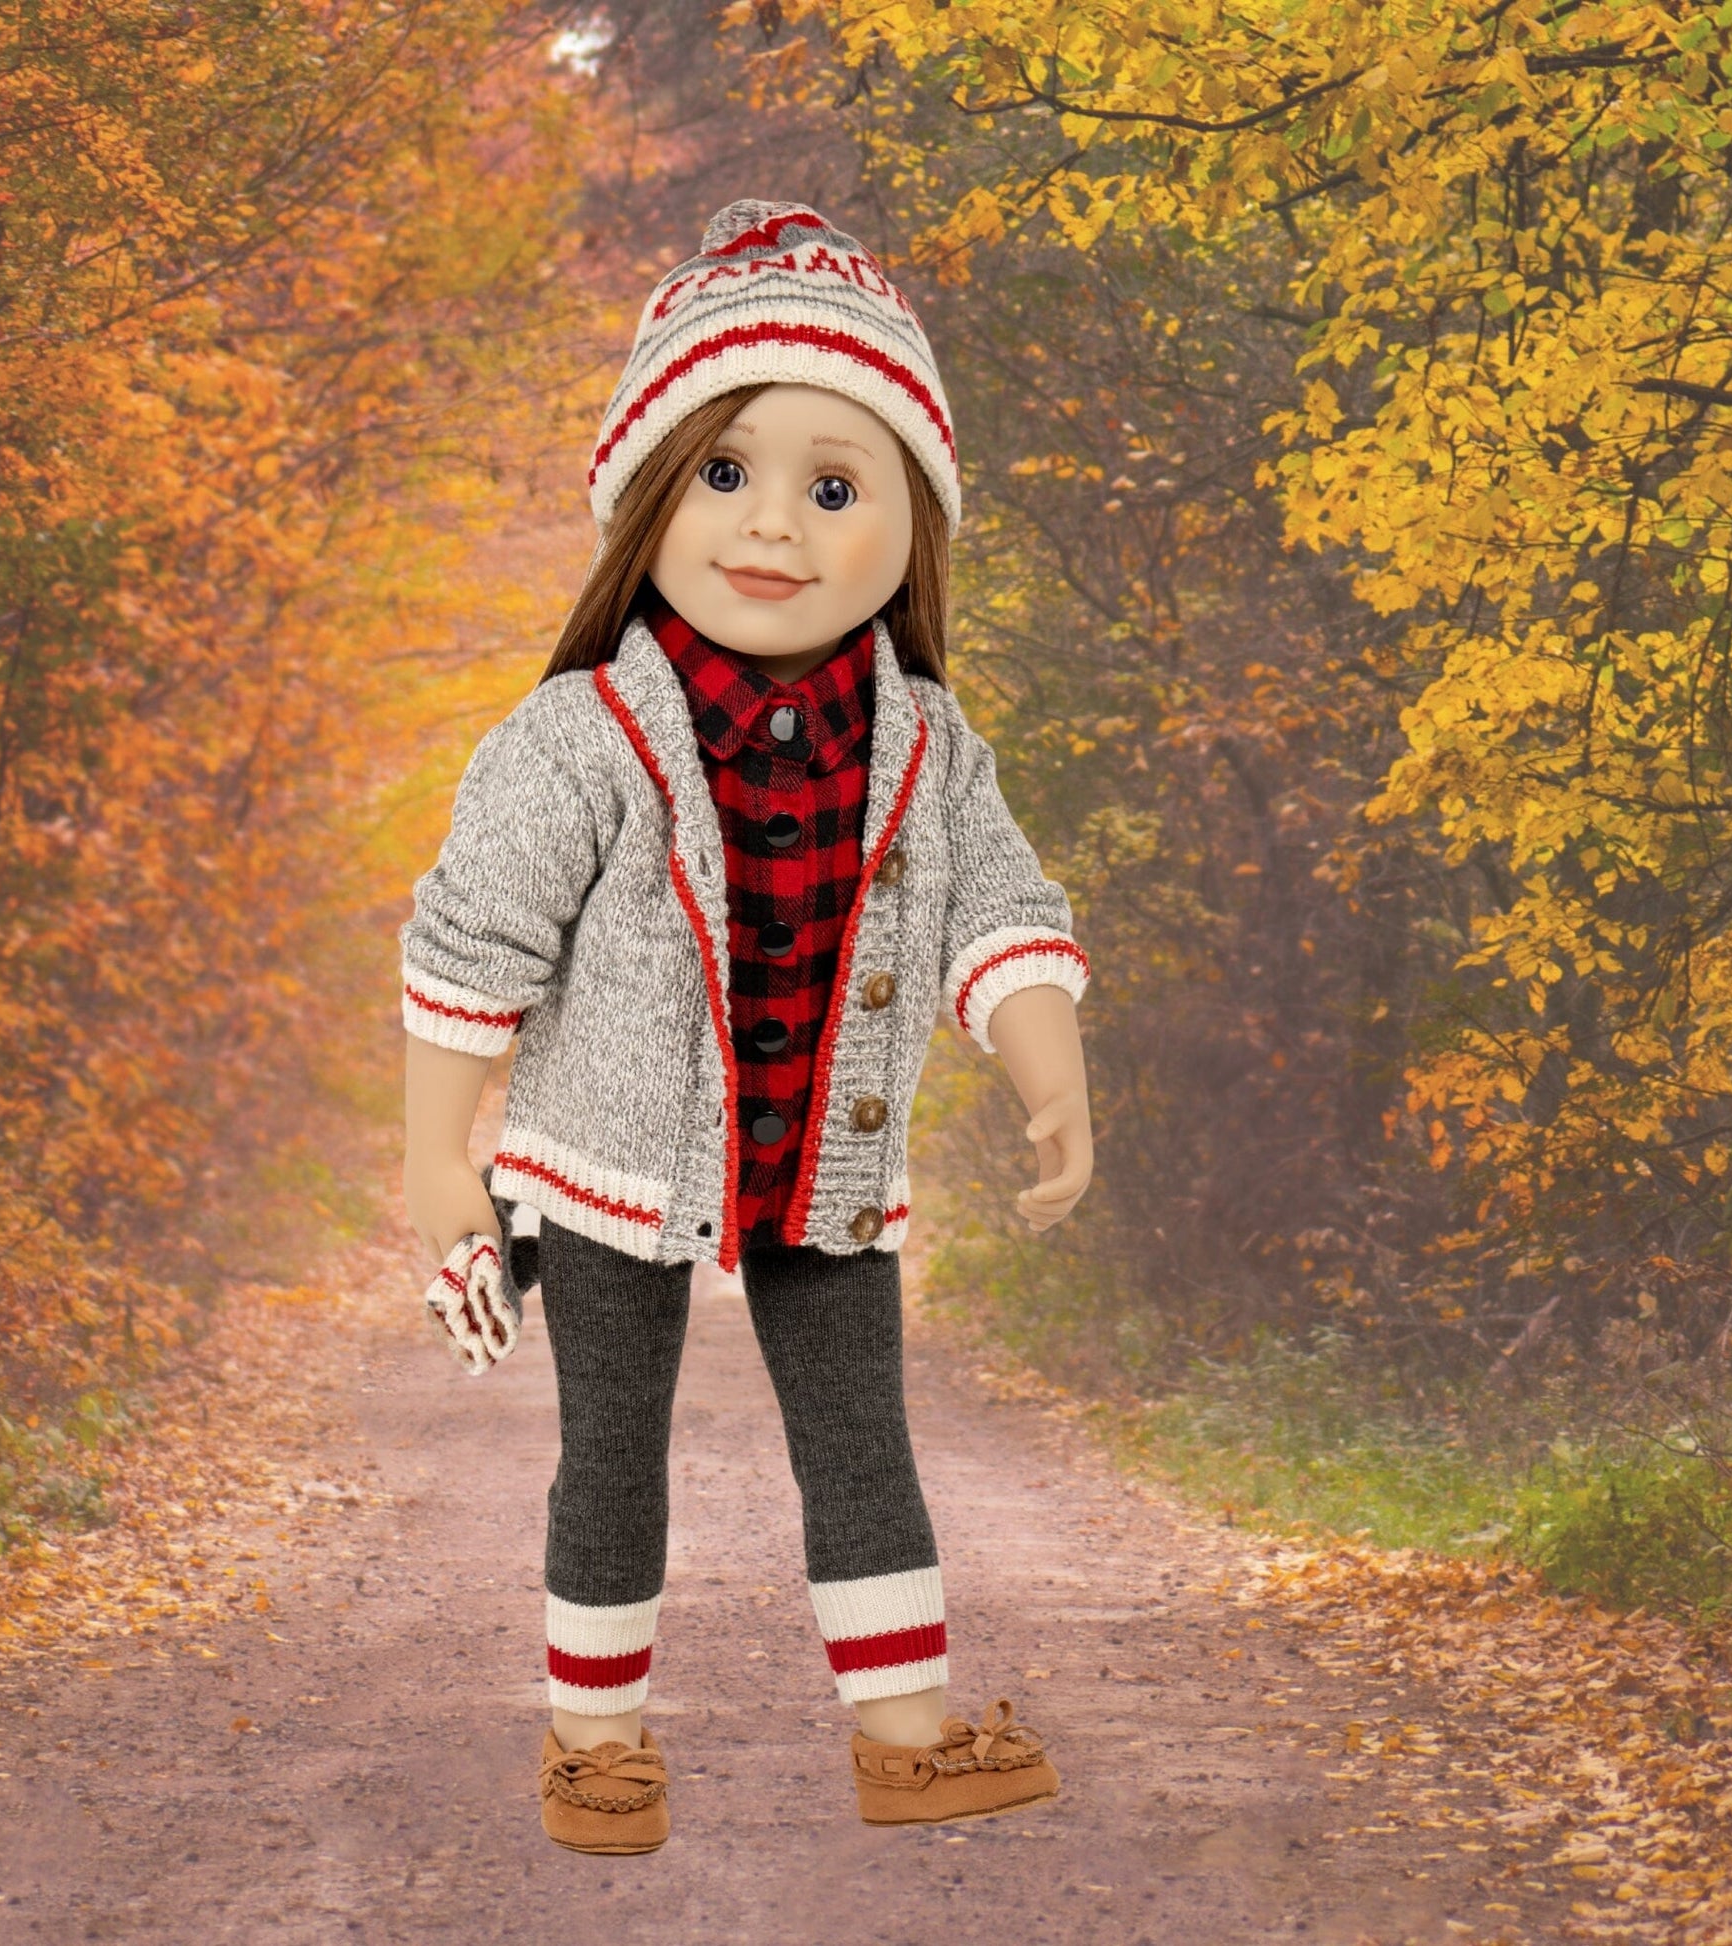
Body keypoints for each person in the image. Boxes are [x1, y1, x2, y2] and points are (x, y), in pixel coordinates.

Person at [399, 200, 1093, 1854]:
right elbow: (472, 939)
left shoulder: (926, 741)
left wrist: (1041, 1047)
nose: (771, 525)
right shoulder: (578, 737)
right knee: (611, 1447)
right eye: (725, 473)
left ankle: (907, 1733)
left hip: (826, 1158)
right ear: (647, 498)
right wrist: (444, 1163)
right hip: (614, 1162)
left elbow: (1003, 903)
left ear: (906, 528)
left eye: (833, 487)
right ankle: (595, 1741)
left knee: (862, 1432)